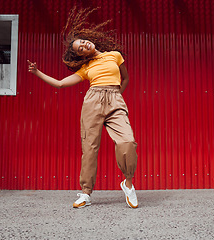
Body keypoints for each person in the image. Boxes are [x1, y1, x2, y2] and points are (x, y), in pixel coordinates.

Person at [27, 7, 138, 208]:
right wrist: (37, 73)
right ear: (82, 55)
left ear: (88, 38)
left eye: (83, 42)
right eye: (81, 48)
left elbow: (126, 78)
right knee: (90, 148)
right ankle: (86, 192)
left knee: (127, 142)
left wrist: (116, 96)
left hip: (115, 98)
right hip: (93, 101)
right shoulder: (86, 68)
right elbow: (60, 84)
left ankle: (128, 183)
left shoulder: (115, 55)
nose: (85, 45)